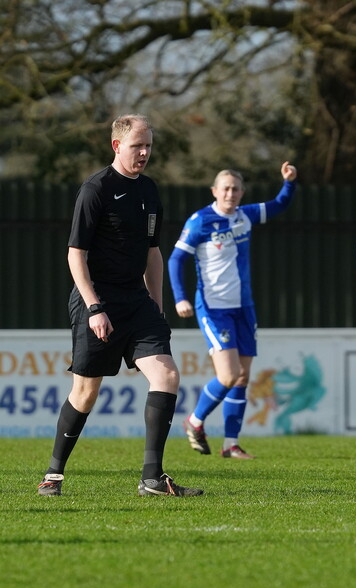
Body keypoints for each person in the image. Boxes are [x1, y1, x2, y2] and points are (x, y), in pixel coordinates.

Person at [37, 114, 202, 497]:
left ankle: (152, 479)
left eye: (148, 146)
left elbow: (152, 252)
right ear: (116, 146)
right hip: (97, 299)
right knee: (85, 392)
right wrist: (94, 308)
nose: (144, 153)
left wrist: (156, 305)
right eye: (136, 146)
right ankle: (54, 474)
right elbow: (75, 254)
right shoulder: (95, 189)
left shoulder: (149, 190)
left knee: (167, 376)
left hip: (137, 302)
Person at [168, 162, 298, 459]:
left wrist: (289, 182)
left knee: (242, 377)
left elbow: (280, 204)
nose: (231, 193)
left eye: (236, 188)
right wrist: (180, 298)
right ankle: (195, 421)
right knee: (229, 375)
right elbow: (176, 260)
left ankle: (230, 445)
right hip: (213, 308)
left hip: (244, 308)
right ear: (215, 191)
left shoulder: (245, 216)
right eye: (225, 188)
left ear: (242, 192)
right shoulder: (200, 221)